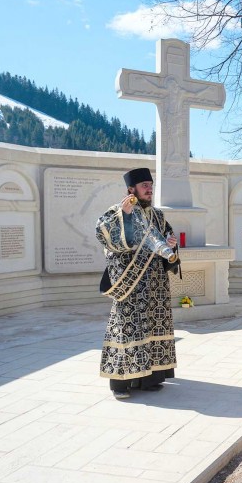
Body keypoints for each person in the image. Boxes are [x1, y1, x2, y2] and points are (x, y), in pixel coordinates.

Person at [96, 168, 178, 400]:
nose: (149, 188)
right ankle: (121, 384)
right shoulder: (117, 211)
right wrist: (124, 214)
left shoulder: (159, 216)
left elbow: (168, 240)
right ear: (131, 190)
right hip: (131, 285)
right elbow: (102, 233)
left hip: (156, 284)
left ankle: (149, 378)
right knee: (127, 328)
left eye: (150, 184)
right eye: (144, 185)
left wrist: (171, 243)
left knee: (153, 327)